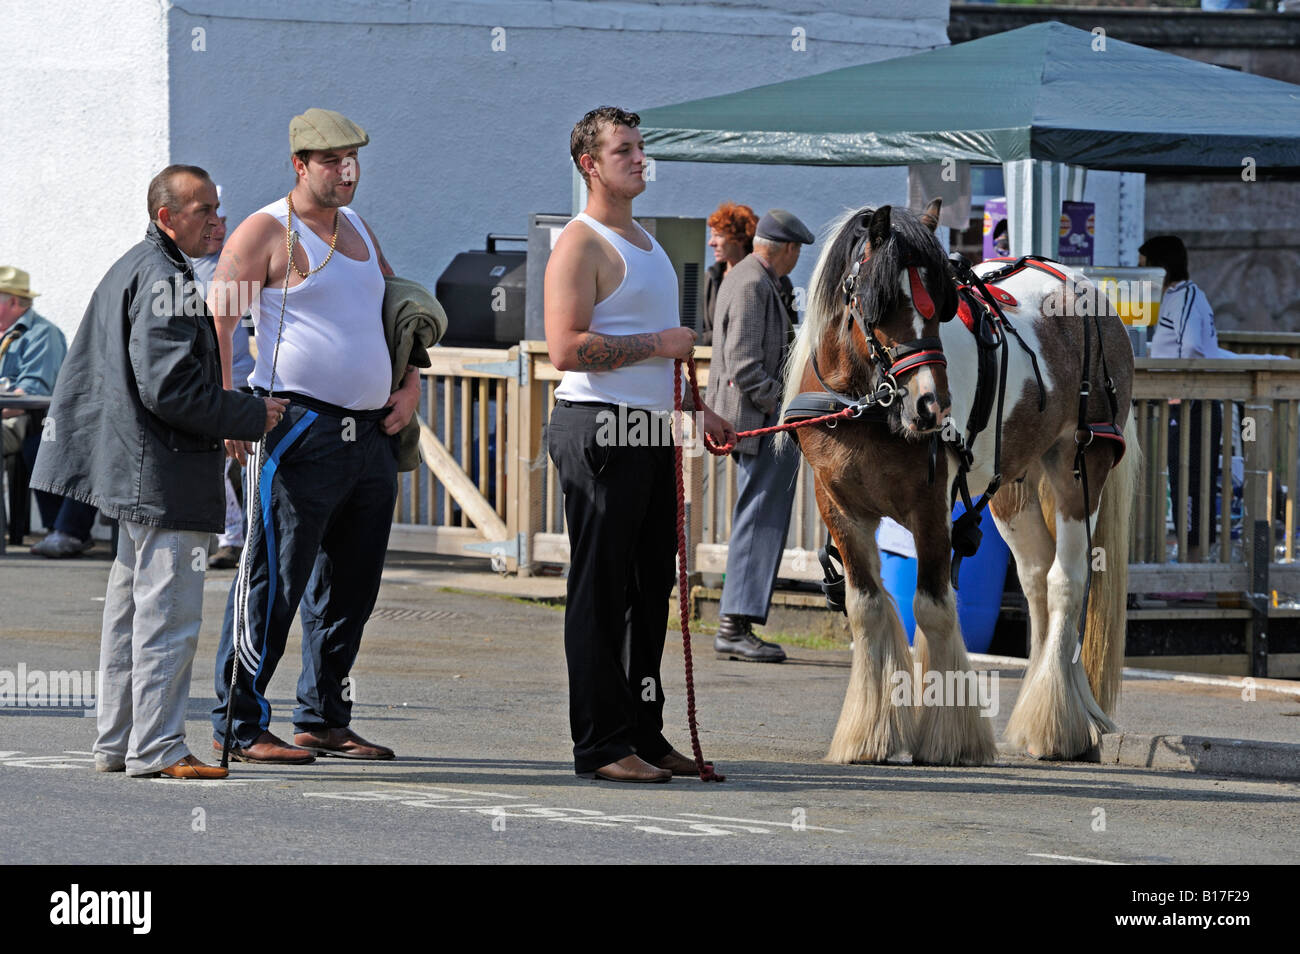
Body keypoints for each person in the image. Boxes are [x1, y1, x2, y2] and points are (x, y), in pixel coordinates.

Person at [30, 165, 281, 780]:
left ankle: (118, 743)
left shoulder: (136, 266)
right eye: (203, 211)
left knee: (129, 617)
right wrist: (253, 412)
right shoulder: (165, 277)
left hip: (136, 473)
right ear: (166, 217)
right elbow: (171, 389)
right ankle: (159, 748)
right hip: (163, 476)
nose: (217, 220)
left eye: (218, 207)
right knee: (168, 616)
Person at [207, 108, 419, 764]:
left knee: (352, 586)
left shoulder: (357, 226)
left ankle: (324, 717)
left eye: (352, 156)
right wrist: (228, 413)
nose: (345, 169)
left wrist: (410, 382)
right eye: (331, 159)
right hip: (298, 428)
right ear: (300, 164)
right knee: (272, 577)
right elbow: (218, 321)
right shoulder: (265, 230)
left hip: (369, 432)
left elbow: (397, 306)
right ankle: (238, 724)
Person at [546, 106, 736, 782]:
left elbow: (660, 360)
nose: (638, 158)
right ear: (589, 165)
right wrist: (660, 344)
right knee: (601, 592)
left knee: (650, 590)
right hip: (599, 428)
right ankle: (599, 745)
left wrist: (700, 408)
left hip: (652, 429)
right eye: (622, 149)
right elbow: (566, 348)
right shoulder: (581, 243)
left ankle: (644, 734)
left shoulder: (648, 242)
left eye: (640, 147)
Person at [707, 209, 814, 662]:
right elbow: (746, 364)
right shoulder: (753, 283)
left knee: (757, 516)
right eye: (797, 253)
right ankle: (734, 625)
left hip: (752, 418)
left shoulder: (748, 276)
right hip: (759, 421)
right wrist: (785, 405)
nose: (797, 262)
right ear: (786, 249)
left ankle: (737, 622)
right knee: (759, 518)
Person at [1141, 234, 1227, 556]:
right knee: (1186, 484)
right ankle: (1195, 564)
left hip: (1191, 404)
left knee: (1190, 486)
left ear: (1161, 267)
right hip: (1186, 402)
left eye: (1144, 268)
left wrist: (1176, 387)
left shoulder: (1185, 296)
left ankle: (1194, 567)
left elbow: (1191, 346)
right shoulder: (1178, 297)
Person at [190, 201, 254, 569]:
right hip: (206, 383)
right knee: (219, 462)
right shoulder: (183, 269)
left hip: (238, 381)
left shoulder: (234, 266)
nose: (218, 228)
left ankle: (238, 537)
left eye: (223, 221)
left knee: (241, 462)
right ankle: (230, 535)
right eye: (210, 221)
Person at [701, 202, 757, 345]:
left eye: (718, 235)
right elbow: (697, 331)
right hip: (710, 363)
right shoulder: (710, 278)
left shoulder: (764, 279)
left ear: (740, 239)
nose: (711, 243)